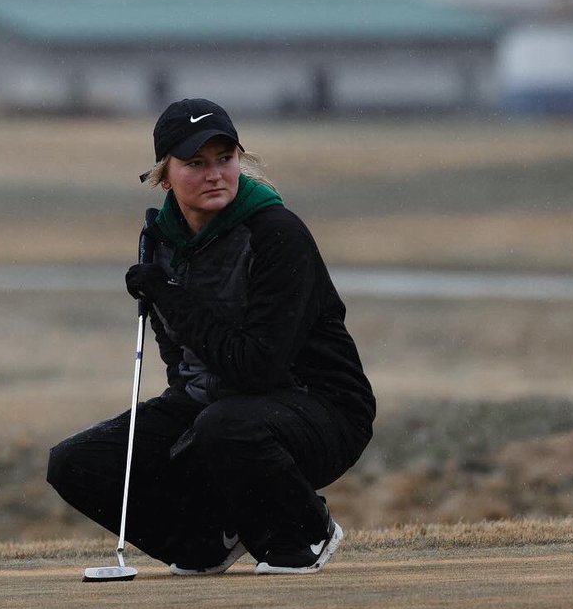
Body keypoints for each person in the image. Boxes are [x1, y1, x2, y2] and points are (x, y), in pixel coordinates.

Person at [47, 98, 375, 575]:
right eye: (195, 163)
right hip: (220, 410)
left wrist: (170, 294)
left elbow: (258, 367)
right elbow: (182, 362)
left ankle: (306, 531)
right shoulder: (161, 243)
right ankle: (205, 542)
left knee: (224, 426)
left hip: (320, 410)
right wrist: (175, 436)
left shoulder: (277, 233)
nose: (215, 174)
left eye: (225, 158)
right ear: (164, 176)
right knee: (76, 462)